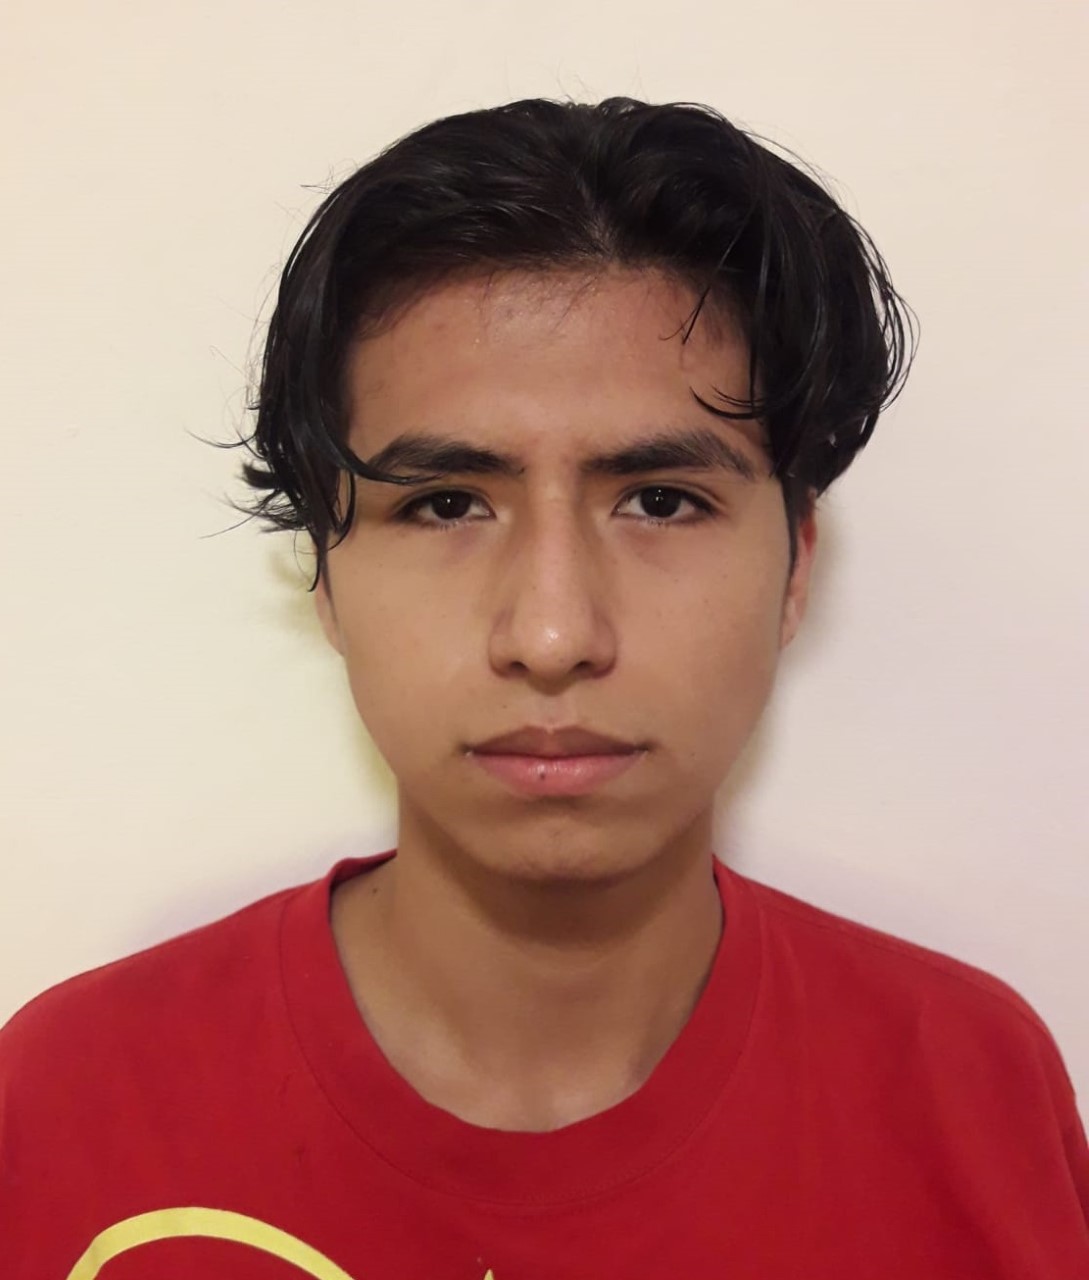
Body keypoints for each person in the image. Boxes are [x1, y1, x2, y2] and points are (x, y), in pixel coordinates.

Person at [1, 97, 1086, 1279]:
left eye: (661, 500)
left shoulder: (976, 1090)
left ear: (795, 568)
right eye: (445, 504)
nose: (554, 634)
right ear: (325, 576)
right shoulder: (71, 1096)